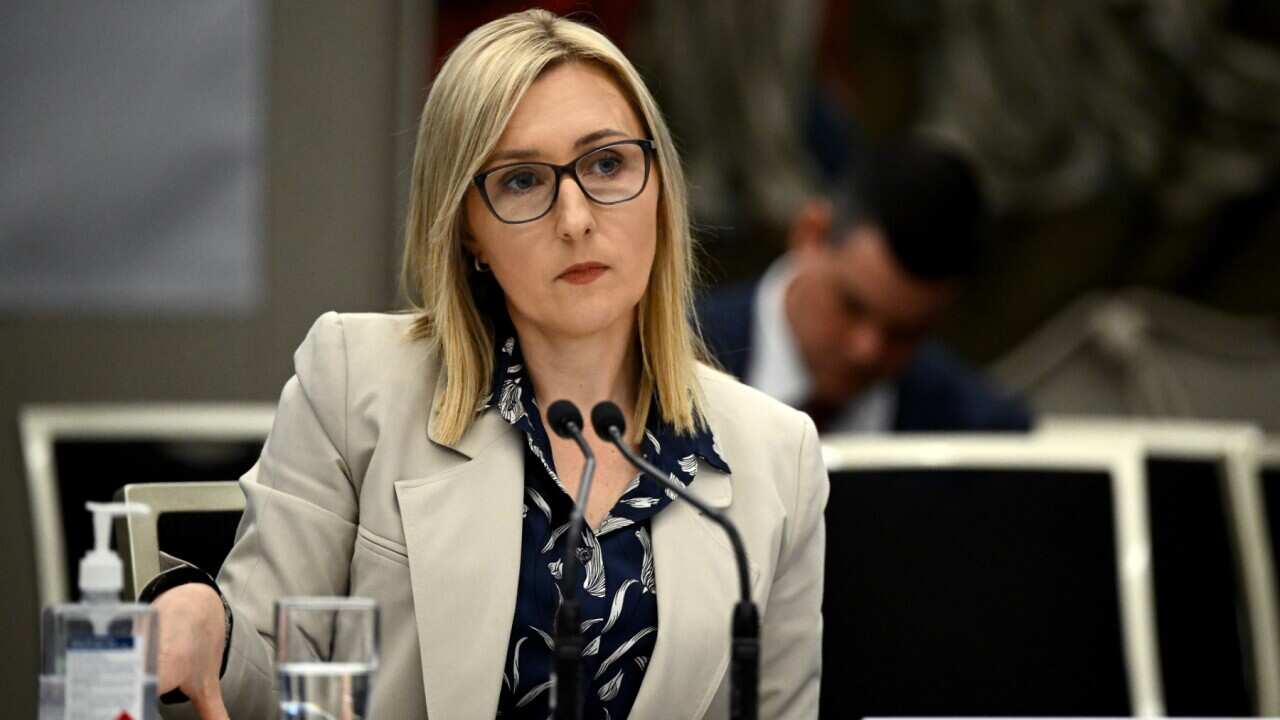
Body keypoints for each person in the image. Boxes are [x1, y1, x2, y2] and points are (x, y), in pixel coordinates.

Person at [145, 10, 828, 720]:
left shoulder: (778, 457)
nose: (576, 217)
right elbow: (262, 688)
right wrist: (207, 625)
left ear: (659, 187)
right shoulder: (357, 383)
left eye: (606, 164)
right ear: (467, 228)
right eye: (524, 181)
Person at [698, 140, 1032, 434]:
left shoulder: (979, 436)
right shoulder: (661, 362)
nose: (867, 350)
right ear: (810, 233)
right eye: (852, 306)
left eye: (905, 333)